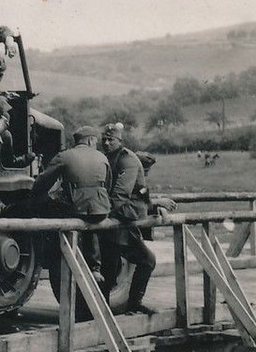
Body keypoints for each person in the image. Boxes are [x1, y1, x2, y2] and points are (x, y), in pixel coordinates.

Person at [30, 126, 113, 298]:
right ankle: (95, 267)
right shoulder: (102, 157)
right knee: (91, 224)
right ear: (90, 140)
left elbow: (43, 182)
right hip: (101, 210)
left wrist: (35, 195)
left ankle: (49, 253)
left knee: (46, 208)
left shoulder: (65, 156)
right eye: (95, 141)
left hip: (77, 209)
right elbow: (109, 184)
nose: (96, 144)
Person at [98, 123, 164, 315]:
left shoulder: (126, 159)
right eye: (105, 139)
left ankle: (126, 305)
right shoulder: (106, 158)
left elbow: (122, 194)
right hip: (117, 221)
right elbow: (119, 196)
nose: (107, 142)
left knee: (113, 268)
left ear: (121, 142)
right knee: (117, 267)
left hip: (117, 220)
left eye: (111, 139)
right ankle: (121, 307)